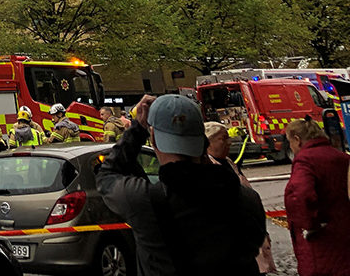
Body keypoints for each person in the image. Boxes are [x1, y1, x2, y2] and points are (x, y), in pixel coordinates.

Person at [97, 94, 266, 275]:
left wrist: (137, 129)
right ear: (202, 140)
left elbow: (106, 176)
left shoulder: (144, 201)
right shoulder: (247, 198)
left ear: (153, 139)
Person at [207, 122, 276, 275]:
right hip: (237, 246)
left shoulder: (229, 163)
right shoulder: (209, 168)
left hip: (251, 239)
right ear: (208, 142)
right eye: (223, 139)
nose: (229, 143)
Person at [284, 116, 350, 276]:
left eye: (290, 142)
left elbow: (300, 195)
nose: (291, 147)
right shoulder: (342, 157)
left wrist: (310, 226)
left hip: (322, 241)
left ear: (297, 140)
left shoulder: (305, 161)